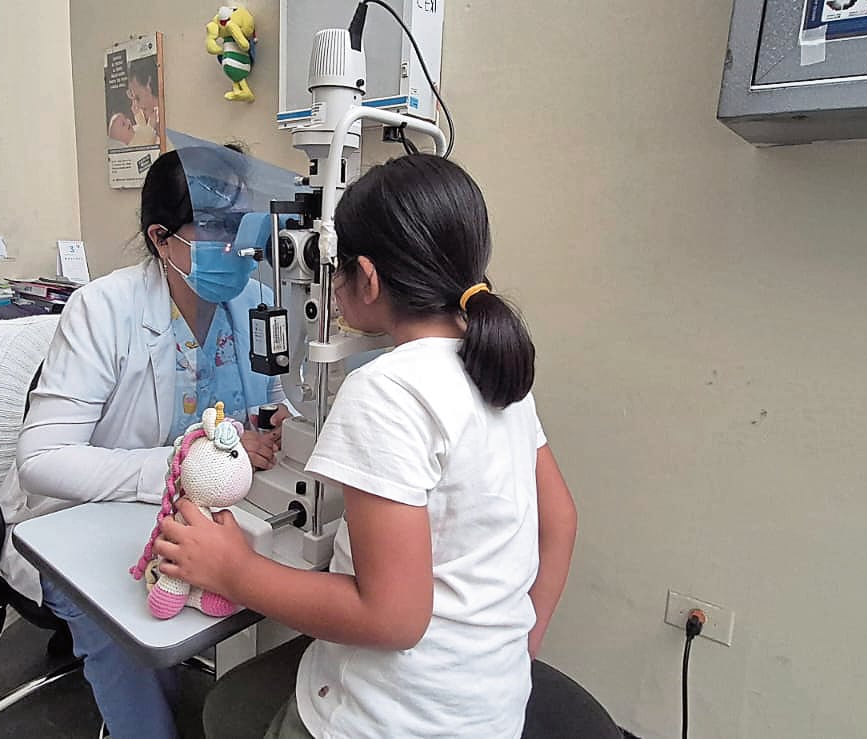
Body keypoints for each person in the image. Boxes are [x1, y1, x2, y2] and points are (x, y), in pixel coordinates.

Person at [160, 154, 579, 738]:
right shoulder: (494, 365)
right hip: (490, 709)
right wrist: (515, 654)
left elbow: (392, 619)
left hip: (388, 721)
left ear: (367, 276)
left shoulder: (386, 387)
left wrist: (234, 570)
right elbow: (560, 521)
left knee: (233, 708)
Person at [10, 147, 287, 739]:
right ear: (162, 240)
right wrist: (182, 464)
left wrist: (282, 421)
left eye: (242, 226)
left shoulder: (254, 300)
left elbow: (269, 401)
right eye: (215, 228)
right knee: (128, 637)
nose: (236, 245)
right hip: (90, 524)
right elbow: (41, 460)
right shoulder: (103, 309)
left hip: (214, 518)